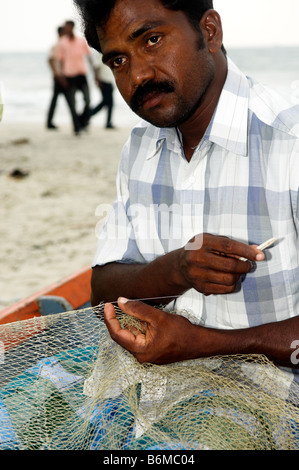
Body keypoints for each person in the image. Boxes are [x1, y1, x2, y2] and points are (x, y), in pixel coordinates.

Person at [73, 0, 299, 377]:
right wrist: (177, 269)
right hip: (153, 398)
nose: (137, 76)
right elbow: (103, 293)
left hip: (274, 412)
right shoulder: (140, 149)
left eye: (152, 40)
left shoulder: (289, 142)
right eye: (118, 61)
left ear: (209, 32)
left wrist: (205, 344)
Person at [55, 20, 91, 134]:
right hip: (69, 76)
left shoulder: (81, 41)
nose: (66, 29)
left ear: (72, 27)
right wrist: (61, 77)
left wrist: (95, 73)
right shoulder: (62, 42)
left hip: (81, 74)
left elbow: (88, 57)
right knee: (72, 103)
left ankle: (81, 120)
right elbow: (59, 60)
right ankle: (76, 127)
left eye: (68, 27)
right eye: (65, 27)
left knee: (87, 100)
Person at [89, 50, 115, 128]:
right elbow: (96, 67)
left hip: (108, 79)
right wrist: (97, 80)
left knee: (109, 103)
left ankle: (108, 122)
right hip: (103, 80)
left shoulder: (107, 52)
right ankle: (86, 116)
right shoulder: (98, 53)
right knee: (105, 102)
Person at [46, 26, 66, 130]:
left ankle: (49, 122)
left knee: (57, 99)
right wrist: (56, 74)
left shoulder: (62, 45)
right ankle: (49, 122)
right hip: (59, 76)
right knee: (58, 99)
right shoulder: (57, 45)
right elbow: (50, 60)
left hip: (64, 75)